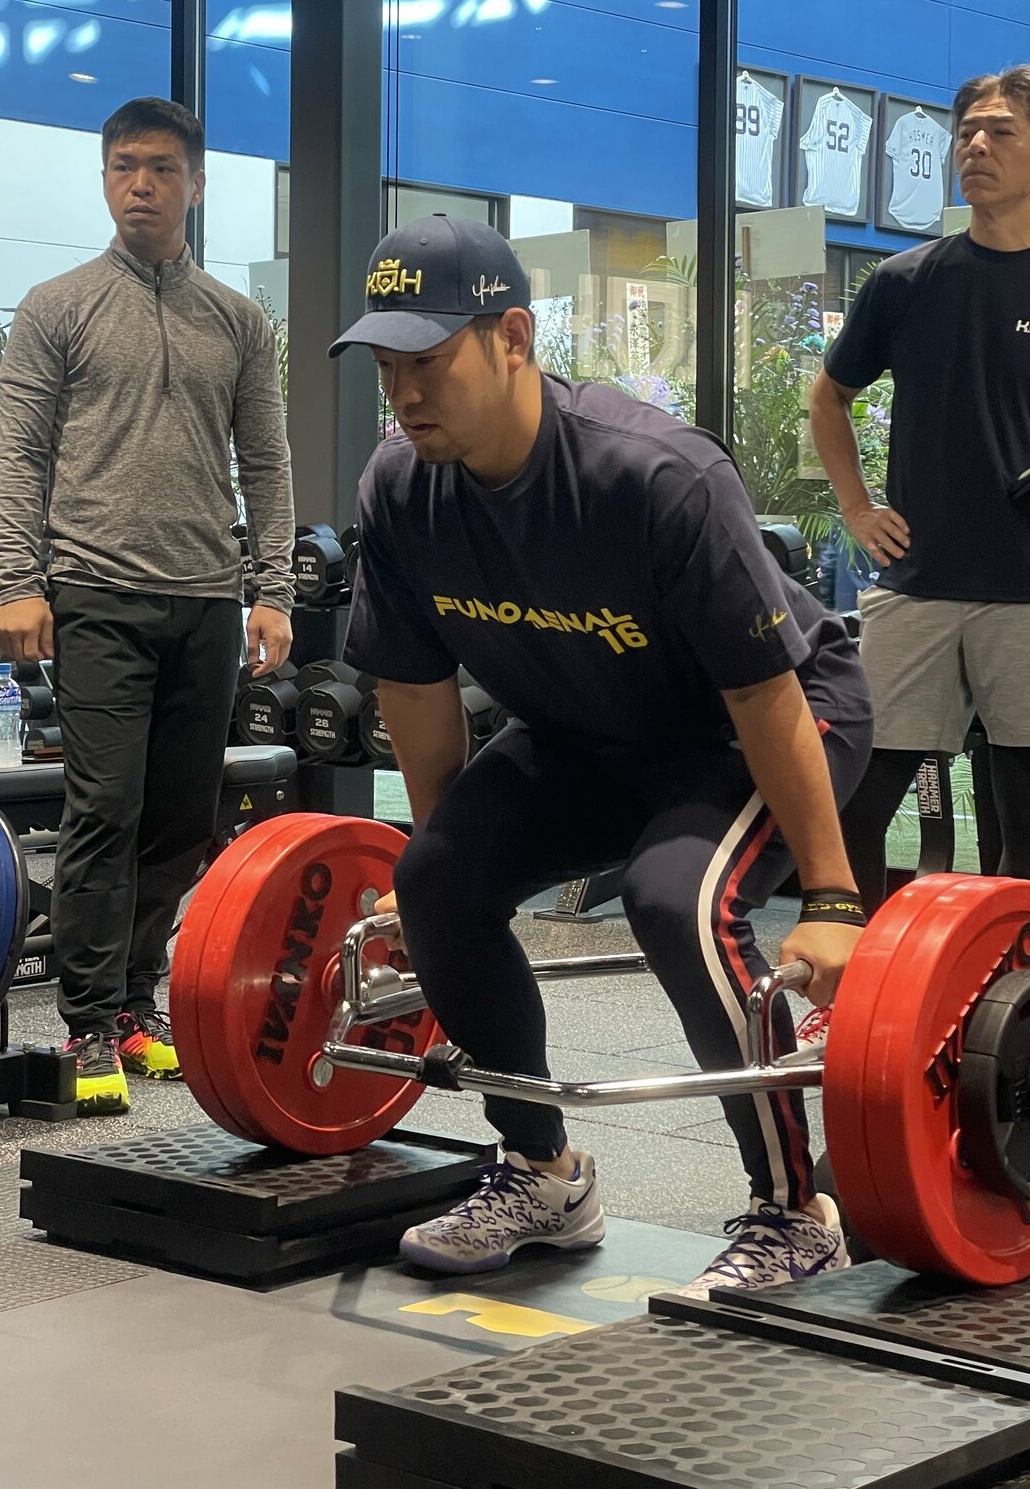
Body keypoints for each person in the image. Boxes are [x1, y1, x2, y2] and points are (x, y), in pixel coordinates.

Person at [336, 213, 873, 1295]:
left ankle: (794, 1206)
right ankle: (541, 1169)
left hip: (760, 722)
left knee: (677, 899)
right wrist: (448, 866)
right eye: (390, 366)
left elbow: (765, 689)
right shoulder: (401, 489)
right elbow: (415, 691)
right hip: (592, 729)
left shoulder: (656, 476)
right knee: (434, 876)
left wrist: (833, 895)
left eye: (430, 360)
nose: (406, 390)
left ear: (514, 338)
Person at [0, 96, 295, 1114]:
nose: (141, 185)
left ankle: (133, 1004)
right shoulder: (58, 305)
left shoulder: (238, 320)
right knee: (104, 807)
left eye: (161, 168)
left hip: (206, 595)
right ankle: (84, 1023)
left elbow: (265, 459)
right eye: (124, 167)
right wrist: (21, 582)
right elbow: (20, 452)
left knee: (176, 817)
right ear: (105, 178)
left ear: (195, 183)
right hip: (95, 591)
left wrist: (273, 590)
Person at [809, 64, 1030, 930]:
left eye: (999, 132)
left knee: (1027, 815)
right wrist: (856, 508)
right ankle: (847, 988)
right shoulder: (907, 282)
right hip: (917, 583)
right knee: (861, 794)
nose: (975, 146)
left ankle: (1010, 993)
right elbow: (829, 396)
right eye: (967, 131)